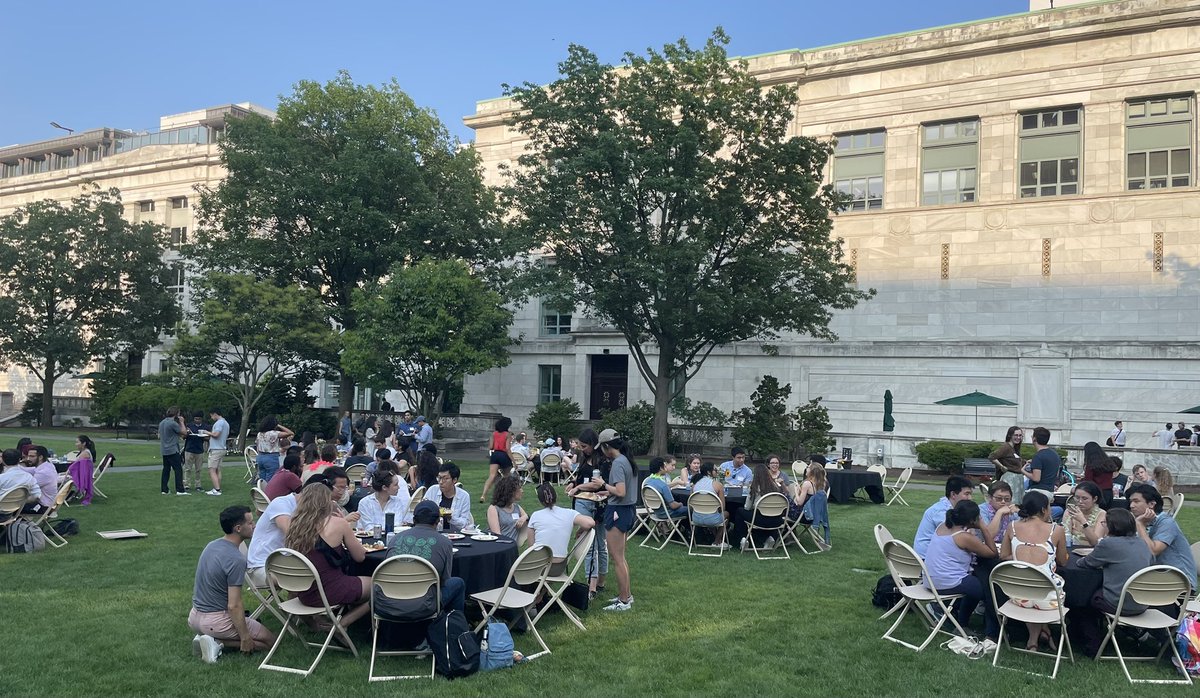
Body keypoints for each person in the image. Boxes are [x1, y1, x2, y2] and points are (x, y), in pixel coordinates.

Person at [188, 505, 275, 663]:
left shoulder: (212, 545)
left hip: (195, 616)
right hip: (216, 621)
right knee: (270, 642)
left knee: (255, 636)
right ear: (238, 528)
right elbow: (234, 605)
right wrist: (244, 636)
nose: (254, 525)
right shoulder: (235, 559)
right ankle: (215, 642)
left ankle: (205, 637)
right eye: (250, 523)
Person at [285, 480, 372, 630]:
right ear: (326, 501)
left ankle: (321, 625)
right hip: (329, 590)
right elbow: (360, 557)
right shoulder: (338, 523)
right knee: (379, 585)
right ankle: (342, 624)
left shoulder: (295, 524)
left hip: (304, 591)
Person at [1074, 508, 1154, 657]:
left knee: (1083, 599)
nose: (1103, 525)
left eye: (1105, 523)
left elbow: (1085, 563)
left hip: (1118, 603)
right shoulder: (1142, 543)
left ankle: (1093, 644)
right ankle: (1130, 631)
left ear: (1111, 526)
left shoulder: (1109, 544)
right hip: (1143, 602)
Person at [999, 490, 1068, 650]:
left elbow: (1003, 556)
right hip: (1048, 600)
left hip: (1017, 595)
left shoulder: (1012, 527)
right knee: (1043, 590)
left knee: (1030, 592)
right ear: (1044, 509)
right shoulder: (1056, 530)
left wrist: (1022, 558)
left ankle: (1035, 637)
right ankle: (1038, 635)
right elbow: (1062, 561)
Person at [923, 500, 998, 639]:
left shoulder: (943, 526)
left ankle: (946, 609)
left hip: (929, 579)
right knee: (980, 588)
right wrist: (983, 527)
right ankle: (961, 623)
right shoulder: (963, 537)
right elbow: (992, 553)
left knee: (973, 582)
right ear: (972, 520)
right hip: (945, 582)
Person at [385, 500, 466, 613]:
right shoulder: (445, 543)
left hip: (388, 602)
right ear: (438, 521)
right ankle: (452, 625)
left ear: (413, 520)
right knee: (457, 583)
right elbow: (444, 581)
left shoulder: (394, 539)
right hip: (423, 605)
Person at [594, 429, 636, 611]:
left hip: (618, 511)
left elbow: (621, 492)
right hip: (626, 509)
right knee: (621, 558)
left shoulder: (618, 463)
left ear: (606, 447)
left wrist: (602, 484)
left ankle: (624, 601)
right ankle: (625, 595)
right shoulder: (626, 460)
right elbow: (619, 490)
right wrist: (607, 490)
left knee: (617, 558)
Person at [566, 428, 609, 599]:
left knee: (600, 544)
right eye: (580, 446)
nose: (582, 449)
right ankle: (592, 584)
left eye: (584, 446)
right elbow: (581, 477)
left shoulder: (604, 462)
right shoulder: (585, 459)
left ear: (593, 444)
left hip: (598, 505)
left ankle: (599, 584)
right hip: (583, 502)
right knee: (589, 545)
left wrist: (578, 487)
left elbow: (597, 485)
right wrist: (572, 483)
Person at [1128, 484, 1197, 590]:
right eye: (1131, 501)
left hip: (1181, 584)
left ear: (1151, 504)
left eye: (1136, 501)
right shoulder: (1142, 521)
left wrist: (1139, 525)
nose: (1131, 505)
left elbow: (1152, 551)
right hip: (1157, 578)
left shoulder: (1166, 523)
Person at [528, 482, 596, 575]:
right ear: (556, 496)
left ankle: (541, 588)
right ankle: (543, 589)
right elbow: (590, 523)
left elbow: (531, 547)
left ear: (540, 500)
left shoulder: (535, 515)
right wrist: (581, 529)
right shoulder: (569, 513)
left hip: (539, 567)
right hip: (558, 567)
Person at [913, 475, 974, 557]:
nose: (970, 498)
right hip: (927, 558)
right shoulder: (941, 512)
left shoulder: (952, 508)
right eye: (967, 494)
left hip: (937, 553)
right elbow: (956, 539)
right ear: (953, 494)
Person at [737, 460, 789, 550]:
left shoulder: (754, 488)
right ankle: (768, 538)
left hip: (760, 520)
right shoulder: (776, 487)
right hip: (777, 520)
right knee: (759, 516)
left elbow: (747, 507)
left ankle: (743, 538)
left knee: (739, 511)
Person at [688, 462, 729, 549]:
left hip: (696, 519)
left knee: (711, 514)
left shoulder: (694, 485)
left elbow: (690, 506)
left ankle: (715, 538)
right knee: (726, 514)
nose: (717, 471)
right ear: (709, 472)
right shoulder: (718, 485)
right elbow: (722, 507)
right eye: (715, 470)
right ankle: (717, 541)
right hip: (712, 519)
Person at [423, 462, 472, 530]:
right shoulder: (433, 490)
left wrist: (451, 518)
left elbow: (464, 523)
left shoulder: (464, 496)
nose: (441, 482)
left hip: (455, 534)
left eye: (445, 478)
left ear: (454, 480)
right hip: (433, 532)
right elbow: (423, 512)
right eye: (439, 478)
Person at [1063, 481, 1107, 548]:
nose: (1080, 502)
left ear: (1095, 499)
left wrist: (1083, 521)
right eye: (1077, 498)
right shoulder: (1070, 511)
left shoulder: (1102, 514)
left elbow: (1095, 542)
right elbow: (1065, 536)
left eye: (1084, 498)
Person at [989, 426, 1026, 505]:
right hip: (1010, 479)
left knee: (1017, 504)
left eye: (1020, 435)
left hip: (1018, 480)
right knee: (1010, 502)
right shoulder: (1006, 447)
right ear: (1010, 435)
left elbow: (1014, 461)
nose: (1018, 437)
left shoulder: (1014, 448)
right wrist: (1002, 466)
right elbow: (992, 457)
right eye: (1016, 435)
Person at [480, 417, 513, 504]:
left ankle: (483, 495)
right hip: (503, 455)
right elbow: (507, 449)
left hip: (495, 455)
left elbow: (490, 447)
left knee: (492, 476)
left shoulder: (493, 434)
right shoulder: (507, 434)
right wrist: (513, 461)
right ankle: (505, 494)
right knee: (507, 476)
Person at [486, 475, 528, 540]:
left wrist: (524, 517)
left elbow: (527, 517)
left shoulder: (517, 507)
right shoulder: (493, 508)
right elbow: (497, 535)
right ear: (510, 491)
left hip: (512, 545)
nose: (522, 491)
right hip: (499, 545)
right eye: (519, 488)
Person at [254, 416, 293, 484]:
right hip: (271, 457)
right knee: (271, 479)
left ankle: (261, 492)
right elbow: (290, 433)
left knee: (262, 479)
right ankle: (268, 493)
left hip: (260, 457)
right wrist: (279, 425)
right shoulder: (273, 433)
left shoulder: (259, 434)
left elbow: (257, 445)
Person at [0, 448, 40, 516]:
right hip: (16, 510)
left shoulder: (2, 478)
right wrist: (19, 502)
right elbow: (37, 496)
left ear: (3, 460)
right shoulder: (29, 477)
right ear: (19, 460)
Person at [978, 480, 1019, 546]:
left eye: (1007, 499)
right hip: (984, 547)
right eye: (999, 498)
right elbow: (989, 536)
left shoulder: (1012, 511)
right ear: (990, 498)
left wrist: (1020, 512)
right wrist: (999, 513)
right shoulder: (981, 510)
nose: (1003, 502)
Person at [19, 445, 57, 513]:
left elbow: (26, 487)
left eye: (32, 456)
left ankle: (12, 522)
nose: (28, 459)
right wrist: (11, 465)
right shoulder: (47, 465)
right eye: (28, 456)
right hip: (44, 503)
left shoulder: (44, 472)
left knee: (10, 507)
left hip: (43, 507)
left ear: (40, 457)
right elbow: (27, 470)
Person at [1079, 441, 1118, 507]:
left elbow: (1088, 482)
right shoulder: (1108, 463)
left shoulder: (1091, 465)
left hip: (1097, 493)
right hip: (1109, 492)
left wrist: (1081, 480)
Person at [159, 406, 187, 496]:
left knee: (166, 470)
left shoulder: (162, 422)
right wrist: (182, 422)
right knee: (178, 469)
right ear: (176, 414)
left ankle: (164, 489)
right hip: (172, 449)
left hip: (164, 449)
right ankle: (180, 490)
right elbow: (184, 432)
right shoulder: (172, 423)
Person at [1025, 426, 1060, 496]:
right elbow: (1056, 474)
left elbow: (1036, 478)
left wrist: (1023, 471)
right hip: (1050, 492)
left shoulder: (1038, 456)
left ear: (1034, 439)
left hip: (1038, 492)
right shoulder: (1055, 454)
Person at [205, 408, 230, 496]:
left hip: (216, 449)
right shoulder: (226, 422)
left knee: (211, 469)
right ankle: (217, 487)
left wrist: (207, 432)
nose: (211, 417)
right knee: (218, 470)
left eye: (211, 415)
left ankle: (217, 489)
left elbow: (216, 434)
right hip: (222, 448)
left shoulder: (219, 423)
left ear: (215, 414)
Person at [183, 411, 210, 494]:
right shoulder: (189, 426)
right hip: (189, 449)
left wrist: (203, 435)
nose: (197, 420)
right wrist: (186, 433)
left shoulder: (205, 427)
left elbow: (208, 438)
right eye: (195, 419)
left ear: (201, 419)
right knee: (187, 468)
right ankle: (186, 485)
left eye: (199, 419)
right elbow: (183, 436)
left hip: (199, 450)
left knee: (198, 469)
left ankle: (198, 485)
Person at [68, 435, 96, 505]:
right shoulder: (85, 452)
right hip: (80, 475)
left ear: (83, 443)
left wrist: (67, 472)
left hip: (79, 477)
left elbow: (76, 468)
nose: (76, 444)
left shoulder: (85, 454)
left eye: (77, 442)